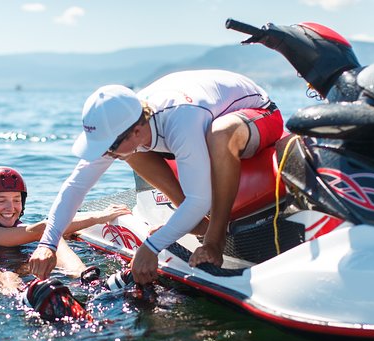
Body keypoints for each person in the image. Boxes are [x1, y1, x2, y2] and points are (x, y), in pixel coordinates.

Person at [29, 69, 284, 284]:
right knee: (129, 154)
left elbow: (199, 199)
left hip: (259, 114)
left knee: (219, 134)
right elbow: (76, 185)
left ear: (136, 131)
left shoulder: (180, 119)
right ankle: (194, 223)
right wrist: (48, 244)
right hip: (196, 122)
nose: (105, 154)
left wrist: (151, 247)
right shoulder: (125, 123)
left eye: (108, 146)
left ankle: (215, 240)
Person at [0, 166, 130, 321]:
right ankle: (19, 299)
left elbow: (45, 228)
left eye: (16, 200)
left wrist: (72, 230)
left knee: (53, 238)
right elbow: (42, 228)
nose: (10, 207)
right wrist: (100, 216)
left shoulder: (23, 228)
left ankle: (88, 279)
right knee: (5, 274)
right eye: (1, 200)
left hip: (26, 268)